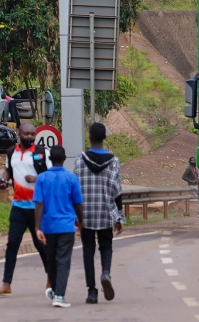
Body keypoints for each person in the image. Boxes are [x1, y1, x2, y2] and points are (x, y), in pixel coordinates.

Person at [0, 121, 49, 297]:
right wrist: (2, 181)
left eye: (33, 134)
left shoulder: (42, 153)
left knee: (40, 245)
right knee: (12, 245)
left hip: (37, 208)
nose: (30, 137)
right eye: (27, 134)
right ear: (19, 134)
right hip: (18, 206)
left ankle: (52, 278)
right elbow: (8, 171)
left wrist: (37, 178)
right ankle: (6, 283)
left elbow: (51, 176)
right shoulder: (12, 153)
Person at [74, 123, 124, 304]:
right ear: (104, 138)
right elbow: (117, 191)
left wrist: (75, 218)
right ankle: (106, 273)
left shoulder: (80, 160)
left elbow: (75, 190)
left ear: (90, 137)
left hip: (85, 214)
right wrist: (119, 217)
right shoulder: (114, 161)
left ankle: (92, 291)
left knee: (88, 251)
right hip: (105, 212)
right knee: (106, 246)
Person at [34, 146, 83, 309]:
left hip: (48, 227)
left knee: (51, 261)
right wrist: (81, 221)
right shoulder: (71, 178)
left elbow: (39, 204)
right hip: (66, 226)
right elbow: (77, 203)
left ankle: (55, 291)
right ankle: (59, 296)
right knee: (63, 261)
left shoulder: (41, 178)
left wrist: (37, 228)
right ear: (64, 158)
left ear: (50, 159)